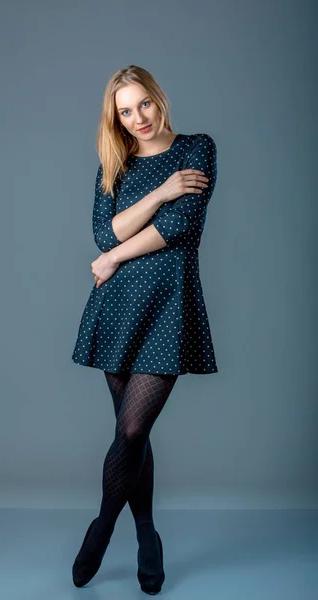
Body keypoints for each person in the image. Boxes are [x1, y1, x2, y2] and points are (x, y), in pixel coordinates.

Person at [71, 64, 218, 594]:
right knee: (130, 436)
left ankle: (102, 528)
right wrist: (160, 194)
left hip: (169, 304)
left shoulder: (196, 148)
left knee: (131, 430)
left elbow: (184, 227)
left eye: (144, 105)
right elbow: (101, 229)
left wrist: (111, 257)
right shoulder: (117, 164)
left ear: (160, 98)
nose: (138, 119)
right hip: (116, 308)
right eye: (125, 112)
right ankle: (148, 532)